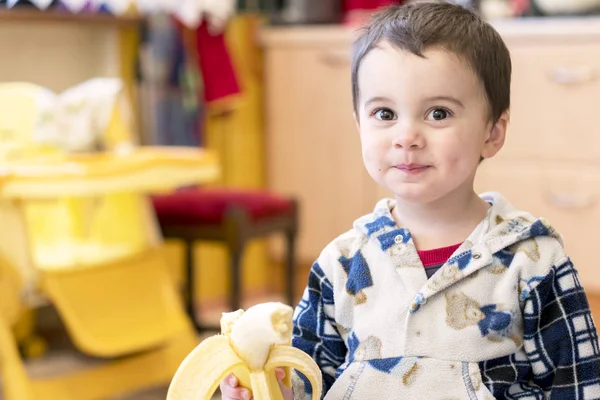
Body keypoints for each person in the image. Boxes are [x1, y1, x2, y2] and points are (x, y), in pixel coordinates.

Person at [221, 1, 600, 399]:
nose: (406, 136)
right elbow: (308, 378)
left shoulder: (534, 261)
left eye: (438, 113)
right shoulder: (342, 264)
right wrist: (270, 390)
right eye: (384, 114)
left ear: (492, 132)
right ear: (359, 125)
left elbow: (578, 385)